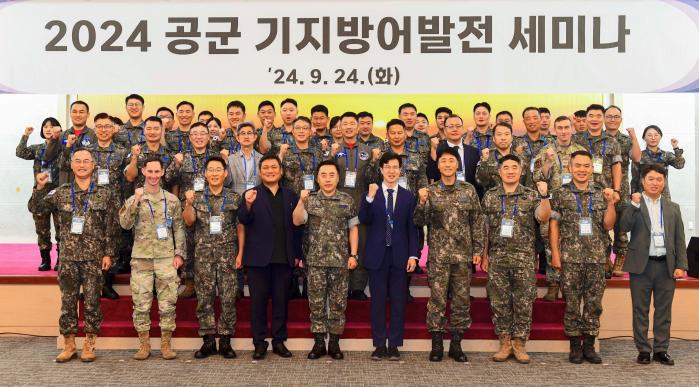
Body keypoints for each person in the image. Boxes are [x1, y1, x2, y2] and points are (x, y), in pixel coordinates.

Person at [30, 148, 119, 363]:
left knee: (92, 302)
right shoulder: (60, 192)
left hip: (93, 258)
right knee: (68, 302)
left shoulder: (105, 194)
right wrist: (40, 187)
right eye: (77, 161)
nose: (81, 165)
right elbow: (36, 208)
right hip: (68, 257)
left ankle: (89, 343)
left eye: (86, 161)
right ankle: (69, 344)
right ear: (71, 165)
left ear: (93, 165)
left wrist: (109, 254)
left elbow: (112, 227)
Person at [415, 147, 485, 363]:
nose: (447, 164)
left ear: (457, 165)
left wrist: (478, 250)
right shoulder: (430, 190)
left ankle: (456, 344)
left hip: (463, 257)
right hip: (439, 257)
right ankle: (437, 345)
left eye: (451, 161)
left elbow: (477, 221)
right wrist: (422, 202)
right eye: (443, 161)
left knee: (462, 301)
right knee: (437, 301)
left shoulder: (468, 190)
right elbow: (419, 221)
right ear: (438, 165)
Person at [549, 150, 618, 364]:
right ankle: (574, 346)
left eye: (586, 166)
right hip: (570, 258)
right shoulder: (560, 193)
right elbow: (554, 225)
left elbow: (608, 225)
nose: (582, 169)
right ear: (570, 167)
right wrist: (555, 254)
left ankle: (589, 346)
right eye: (577, 165)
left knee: (593, 304)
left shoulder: (601, 193)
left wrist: (611, 203)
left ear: (592, 168)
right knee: (571, 303)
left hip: (596, 258)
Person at [481, 154, 550, 363]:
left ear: (521, 171)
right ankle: (504, 342)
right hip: (498, 258)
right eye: (506, 167)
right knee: (499, 301)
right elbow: (484, 228)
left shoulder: (531, 195)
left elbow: (543, 217)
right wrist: (484, 255)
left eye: (514, 167)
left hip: (524, 259)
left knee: (523, 302)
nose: (510, 171)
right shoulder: (490, 196)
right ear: (499, 172)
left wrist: (545, 197)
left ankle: (519, 344)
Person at [119, 157, 186, 361]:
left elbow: (179, 229)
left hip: (166, 258)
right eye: (150, 172)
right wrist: (136, 201)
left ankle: (166, 344)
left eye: (157, 172)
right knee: (141, 304)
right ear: (143, 172)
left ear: (163, 172)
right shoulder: (134, 198)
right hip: (142, 259)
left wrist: (179, 254)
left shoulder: (172, 200)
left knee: (167, 304)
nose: (154, 176)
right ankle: (144, 344)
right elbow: (124, 224)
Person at [619, 164, 687, 366]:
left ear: (664, 182)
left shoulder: (673, 208)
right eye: (651, 179)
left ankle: (661, 349)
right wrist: (633, 205)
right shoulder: (634, 204)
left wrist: (681, 265)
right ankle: (643, 350)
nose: (655, 183)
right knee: (640, 310)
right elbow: (623, 227)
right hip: (641, 267)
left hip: (666, 266)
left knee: (663, 310)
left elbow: (679, 239)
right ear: (642, 181)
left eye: (659, 179)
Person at [293, 159, 359, 360]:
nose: (328, 179)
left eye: (332, 175)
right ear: (317, 178)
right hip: (315, 262)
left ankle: (335, 344)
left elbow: (353, 228)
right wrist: (300, 201)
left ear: (338, 178)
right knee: (317, 303)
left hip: (340, 261)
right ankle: (319, 342)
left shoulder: (347, 200)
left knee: (338, 303)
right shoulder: (310, 199)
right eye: (323, 175)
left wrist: (353, 254)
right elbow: (296, 220)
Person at [238, 154, 300, 360]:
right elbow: (243, 220)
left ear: (281, 171)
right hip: (258, 260)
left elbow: (297, 227)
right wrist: (247, 205)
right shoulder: (250, 194)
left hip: (284, 258)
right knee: (258, 303)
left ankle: (279, 341)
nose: (270, 171)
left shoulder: (291, 195)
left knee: (281, 302)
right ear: (260, 172)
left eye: (274, 167)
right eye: (266, 168)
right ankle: (259, 342)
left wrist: (298, 254)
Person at [359, 153, 419, 361]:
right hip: (377, 255)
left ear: (400, 170)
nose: (391, 171)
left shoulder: (408, 197)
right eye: (388, 167)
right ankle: (378, 344)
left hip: (400, 256)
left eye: (395, 167)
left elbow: (413, 229)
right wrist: (368, 197)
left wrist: (414, 255)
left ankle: (393, 344)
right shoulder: (372, 193)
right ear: (381, 170)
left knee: (398, 301)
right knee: (377, 302)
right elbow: (363, 219)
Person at [183, 156, 243, 359]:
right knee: (204, 298)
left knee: (228, 297)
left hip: (227, 254)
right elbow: (189, 222)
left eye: (219, 170)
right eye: (211, 170)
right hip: (204, 255)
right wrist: (189, 204)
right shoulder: (197, 197)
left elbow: (240, 226)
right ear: (206, 174)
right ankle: (208, 340)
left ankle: (225, 341)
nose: (215, 173)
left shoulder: (234, 198)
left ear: (225, 173)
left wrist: (240, 253)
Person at [531, 116, 586, 301]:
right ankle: (553, 284)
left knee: (572, 242)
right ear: (555, 130)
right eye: (560, 128)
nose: (563, 131)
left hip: (575, 204)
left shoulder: (580, 150)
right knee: (549, 243)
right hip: (553, 203)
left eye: (566, 127)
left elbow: (589, 177)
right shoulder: (546, 150)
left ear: (572, 128)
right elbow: (537, 177)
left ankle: (570, 284)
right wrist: (547, 162)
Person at [165, 122, 213, 298]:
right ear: (190, 137)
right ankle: (190, 282)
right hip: (188, 207)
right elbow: (168, 178)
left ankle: (208, 283)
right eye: (195, 134)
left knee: (207, 245)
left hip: (211, 207)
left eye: (203, 133)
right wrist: (176, 165)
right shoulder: (182, 157)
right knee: (188, 243)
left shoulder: (215, 157)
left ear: (208, 136)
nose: (199, 137)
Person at [16, 118, 62, 271]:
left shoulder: (63, 147)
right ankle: (45, 259)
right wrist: (26, 135)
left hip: (59, 191)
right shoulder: (37, 148)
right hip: (41, 191)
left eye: (52, 126)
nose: (48, 129)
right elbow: (20, 152)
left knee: (61, 227)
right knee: (42, 228)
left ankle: (60, 259)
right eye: (45, 127)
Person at [603, 105, 641, 277]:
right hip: (602, 188)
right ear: (604, 118)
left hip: (622, 190)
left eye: (616, 116)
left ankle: (620, 259)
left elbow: (637, 157)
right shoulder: (599, 138)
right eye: (609, 116)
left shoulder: (625, 140)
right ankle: (605, 259)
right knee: (600, 226)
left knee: (621, 227)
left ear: (620, 119)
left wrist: (633, 136)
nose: (612, 119)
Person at [428, 114, 481, 196]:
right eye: (451, 126)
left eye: (458, 126)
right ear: (445, 129)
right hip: (443, 197)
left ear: (462, 129)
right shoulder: (437, 149)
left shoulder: (474, 151)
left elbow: (478, 179)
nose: (455, 129)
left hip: (468, 196)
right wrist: (433, 150)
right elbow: (432, 174)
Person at [630, 125, 685, 199]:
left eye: (656, 135)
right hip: (643, 196)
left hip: (663, 196)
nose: (653, 138)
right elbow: (635, 179)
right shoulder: (639, 156)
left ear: (660, 137)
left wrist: (675, 148)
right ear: (644, 138)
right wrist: (633, 196)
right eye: (649, 135)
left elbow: (680, 165)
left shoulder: (666, 155)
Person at [476, 122, 528, 192]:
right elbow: (481, 182)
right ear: (494, 138)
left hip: (518, 200)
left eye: (506, 134)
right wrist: (484, 161)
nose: (503, 138)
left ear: (512, 138)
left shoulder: (520, 157)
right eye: (499, 134)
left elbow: (527, 183)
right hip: (493, 200)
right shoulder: (486, 156)